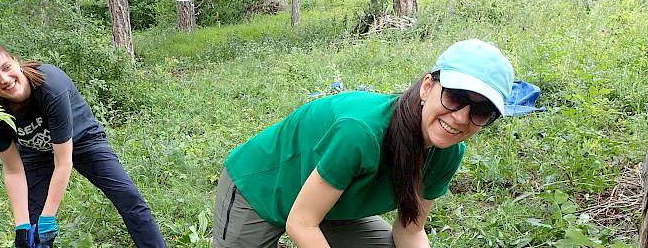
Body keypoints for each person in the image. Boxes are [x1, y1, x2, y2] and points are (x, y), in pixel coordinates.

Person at [213, 39, 514, 248]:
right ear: (427, 87)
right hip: (263, 189)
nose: (461, 118)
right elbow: (301, 224)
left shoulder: (447, 154)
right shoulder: (361, 133)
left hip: (330, 203)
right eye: (455, 97)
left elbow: (411, 230)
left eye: (481, 111)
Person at [0, 41, 167, 248]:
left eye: (6, 67)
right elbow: (12, 171)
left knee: (129, 199)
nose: (5, 79)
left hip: (84, 141)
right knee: (31, 229)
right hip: (36, 153)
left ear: (15, 62)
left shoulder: (50, 85)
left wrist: (49, 217)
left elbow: (63, 161)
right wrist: (22, 225)